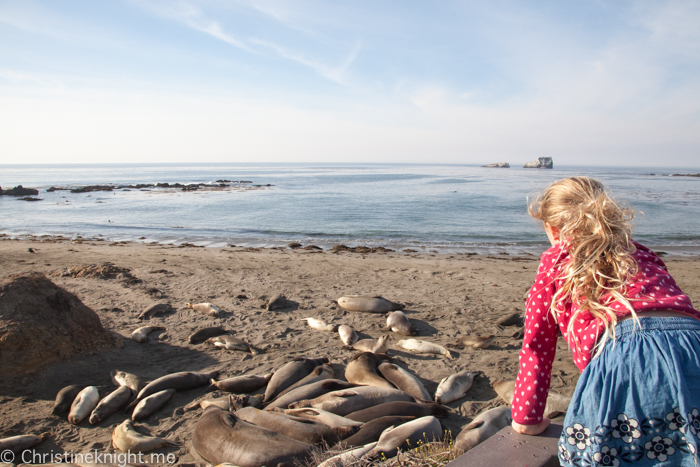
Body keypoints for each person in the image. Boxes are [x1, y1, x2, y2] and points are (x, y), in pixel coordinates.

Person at [511, 176, 700, 466]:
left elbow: (537, 347)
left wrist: (527, 418)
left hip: (626, 353)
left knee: (606, 452)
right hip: (693, 340)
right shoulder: (640, 252)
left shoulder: (556, 259)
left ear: (552, 228)